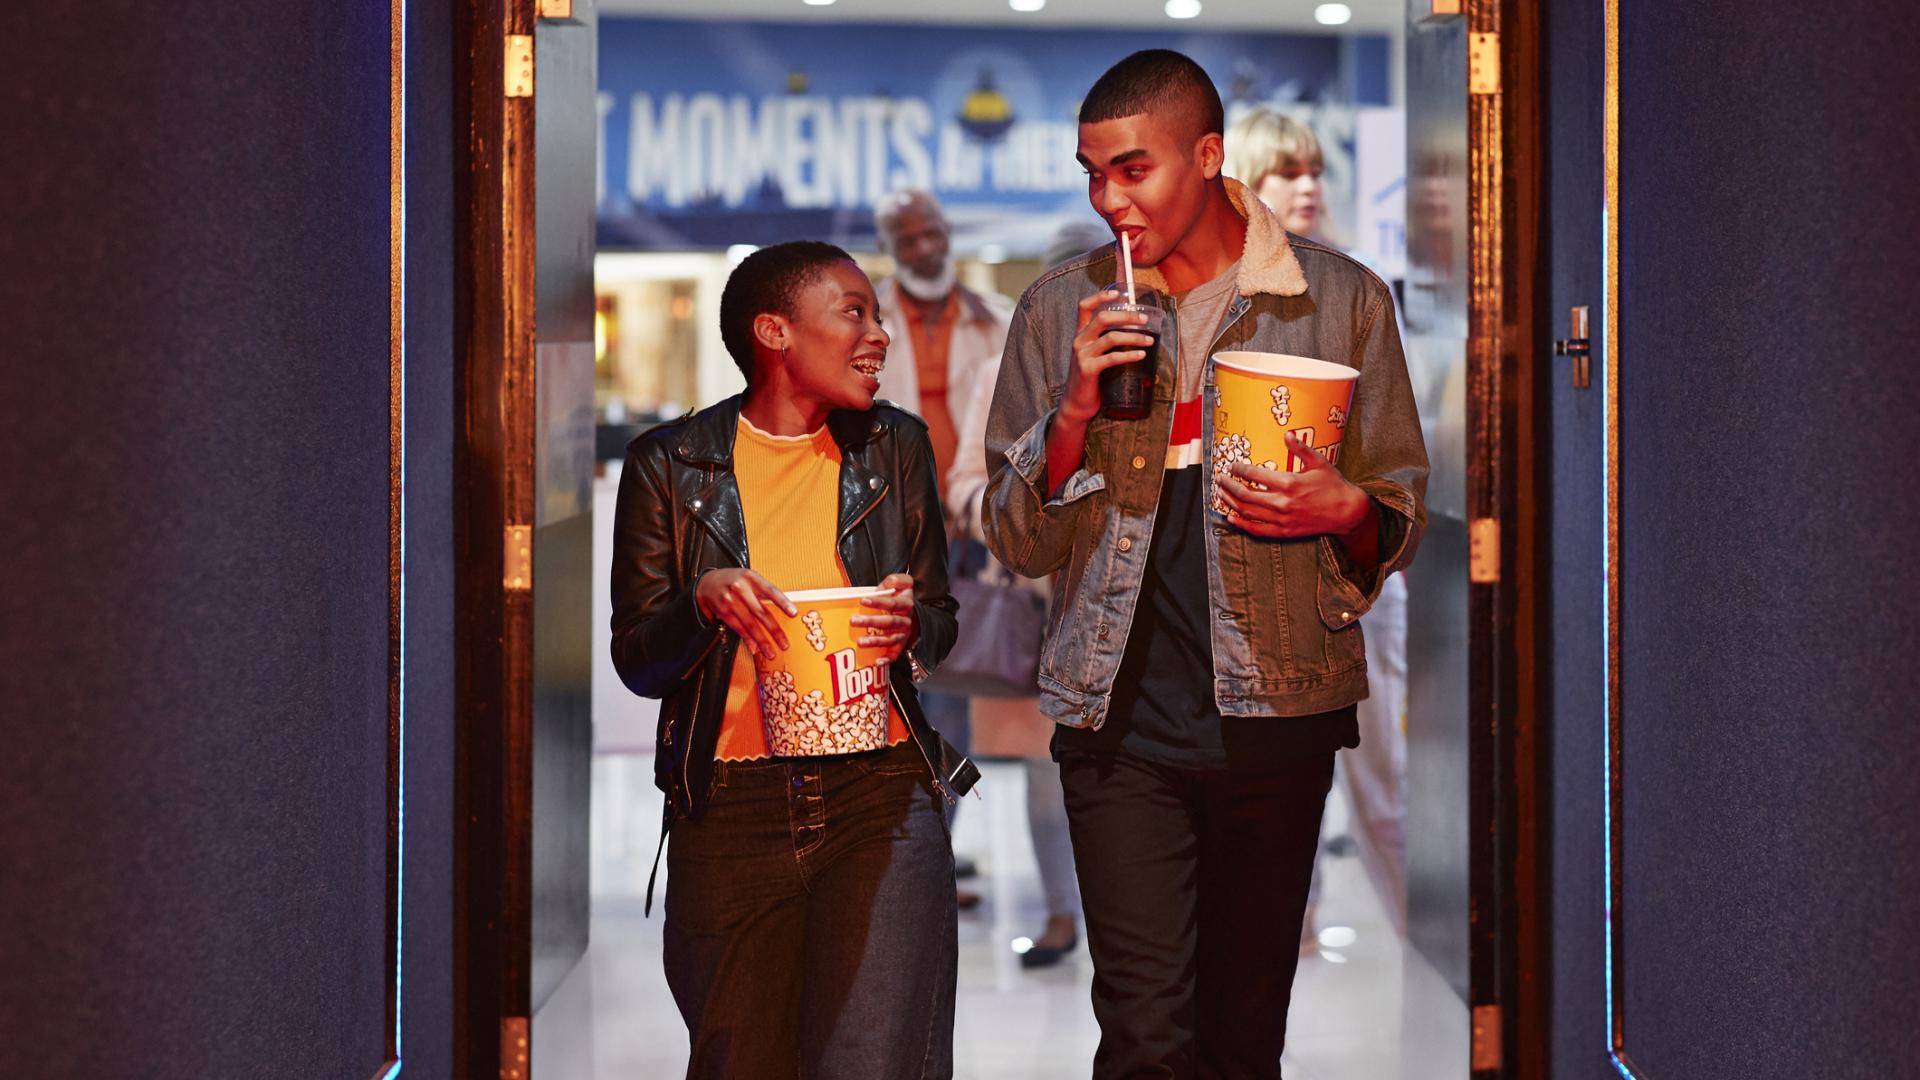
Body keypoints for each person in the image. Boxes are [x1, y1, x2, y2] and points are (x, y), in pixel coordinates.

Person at [980, 51, 1428, 1077]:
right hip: (1115, 722)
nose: (1110, 200)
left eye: (1133, 170)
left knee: (1242, 1032)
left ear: (1209, 156)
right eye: (1093, 174)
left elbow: (1398, 514)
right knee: (1144, 1035)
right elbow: (1018, 536)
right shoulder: (1060, 310)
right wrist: (1075, 413)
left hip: (1279, 710)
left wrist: (1346, 506)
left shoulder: (1337, 298)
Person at [609, 240, 978, 1080]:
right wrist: (702, 602)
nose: (879, 334)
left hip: (878, 795)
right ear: (774, 331)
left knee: (874, 1063)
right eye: (854, 312)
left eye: (877, 315)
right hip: (729, 810)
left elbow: (941, 618)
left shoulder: (895, 449)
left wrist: (908, 628)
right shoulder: (669, 465)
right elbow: (638, 658)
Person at [1229, 106, 1414, 936]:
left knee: (1383, 776)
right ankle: (1287, 924)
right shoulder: (1218, 300)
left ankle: (1421, 933)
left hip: (1347, 569)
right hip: (1248, 576)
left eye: (1314, 172)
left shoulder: (1354, 292)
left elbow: (1394, 464)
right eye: (1285, 172)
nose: (1305, 188)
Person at [945, 220, 1111, 969]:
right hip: (1040, 607)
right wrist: (1025, 513)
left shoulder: (1152, 363)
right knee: (1049, 772)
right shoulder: (998, 375)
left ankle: (1123, 916)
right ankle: (1060, 914)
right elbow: (964, 490)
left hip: (1133, 608)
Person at [871, 188, 1015, 901]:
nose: (924, 248)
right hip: (890, 539)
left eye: (932, 233)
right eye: (907, 238)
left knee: (959, 696)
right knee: (904, 698)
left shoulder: (995, 319)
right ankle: (913, 853)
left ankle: (938, 852)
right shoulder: (863, 318)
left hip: (968, 535)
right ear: (891, 247)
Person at [1223, 107, 1330, 241]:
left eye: (1315, 174)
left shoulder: (1351, 261)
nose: (1309, 187)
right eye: (1289, 174)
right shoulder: (1210, 260)